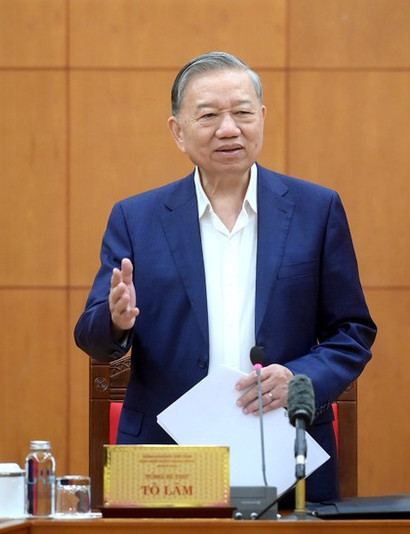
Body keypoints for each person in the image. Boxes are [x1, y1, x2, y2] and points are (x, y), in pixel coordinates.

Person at [74, 51, 376, 503]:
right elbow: (92, 336)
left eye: (242, 113)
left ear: (262, 119)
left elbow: (353, 331)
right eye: (209, 115)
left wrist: (298, 378)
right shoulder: (137, 218)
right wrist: (117, 320)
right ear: (178, 131)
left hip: (281, 449)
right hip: (166, 458)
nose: (229, 128)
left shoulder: (318, 210)